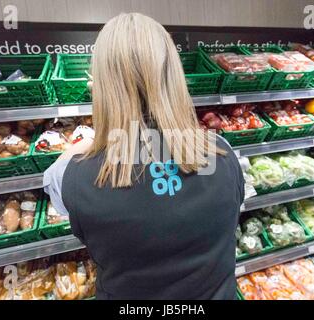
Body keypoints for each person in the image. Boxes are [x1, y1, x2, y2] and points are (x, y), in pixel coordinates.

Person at [44, 12, 244, 300]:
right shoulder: (223, 154)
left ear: (100, 84)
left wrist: (87, 145)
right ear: (174, 76)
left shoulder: (67, 174)